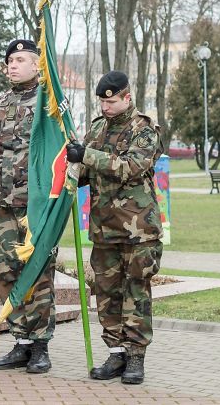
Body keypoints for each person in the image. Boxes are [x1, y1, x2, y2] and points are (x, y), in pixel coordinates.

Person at [67, 71, 163, 385]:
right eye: (102, 102)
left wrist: (88, 156)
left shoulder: (144, 130)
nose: (106, 107)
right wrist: (70, 165)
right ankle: (116, 352)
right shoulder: (96, 127)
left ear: (127, 97)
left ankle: (136, 357)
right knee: (106, 293)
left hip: (138, 231)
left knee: (135, 291)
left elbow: (130, 168)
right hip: (103, 228)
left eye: (112, 101)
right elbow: (86, 171)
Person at [0, 39, 55, 374]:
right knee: (7, 272)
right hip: (5, 205)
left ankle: (40, 346)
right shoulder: (2, 101)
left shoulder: (50, 101)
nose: (14, 65)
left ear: (37, 65)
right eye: (10, 60)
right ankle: (20, 340)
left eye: (21, 59)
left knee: (38, 273)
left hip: (35, 206)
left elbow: (61, 150)